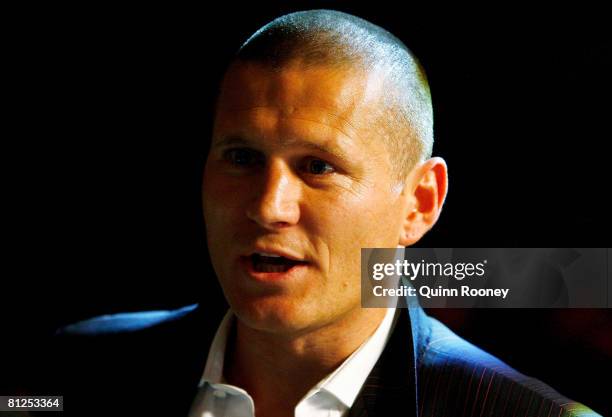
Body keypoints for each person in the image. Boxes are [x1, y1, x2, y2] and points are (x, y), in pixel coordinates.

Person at [41, 9, 600, 417]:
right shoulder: (72, 374)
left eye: (317, 167)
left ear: (419, 202)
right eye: (242, 158)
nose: (268, 206)